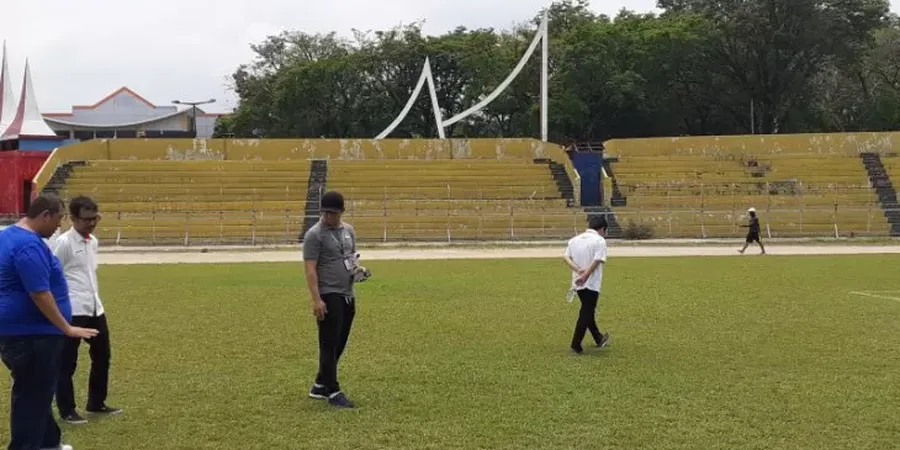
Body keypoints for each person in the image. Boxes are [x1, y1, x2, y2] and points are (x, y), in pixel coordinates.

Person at [0, 194, 98, 450]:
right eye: (57, 219)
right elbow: (39, 293)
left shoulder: (9, 235)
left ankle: (48, 442)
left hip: (23, 332)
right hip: (33, 335)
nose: (58, 225)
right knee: (32, 396)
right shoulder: (27, 246)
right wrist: (66, 327)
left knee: (36, 392)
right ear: (45, 215)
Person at [50, 196, 122, 424]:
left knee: (102, 357)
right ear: (73, 218)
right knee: (66, 363)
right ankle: (67, 409)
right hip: (72, 311)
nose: (92, 223)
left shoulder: (93, 242)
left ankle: (96, 403)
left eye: (95, 218)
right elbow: (52, 276)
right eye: (87, 219)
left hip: (94, 309)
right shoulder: (63, 244)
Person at [302, 191, 364, 409]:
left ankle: (320, 384)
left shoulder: (348, 231)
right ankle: (333, 390)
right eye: (326, 213)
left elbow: (351, 257)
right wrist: (317, 299)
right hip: (329, 293)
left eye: (334, 213)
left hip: (347, 293)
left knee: (340, 342)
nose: (329, 217)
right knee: (328, 343)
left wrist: (358, 271)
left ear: (341, 212)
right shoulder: (315, 235)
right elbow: (310, 269)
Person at [563, 216, 611, 354]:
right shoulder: (599, 241)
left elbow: (565, 257)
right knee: (586, 311)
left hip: (577, 281)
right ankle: (576, 343)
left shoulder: (574, 240)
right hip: (591, 282)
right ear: (602, 229)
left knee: (587, 310)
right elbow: (597, 260)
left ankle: (598, 338)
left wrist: (578, 270)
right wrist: (585, 275)